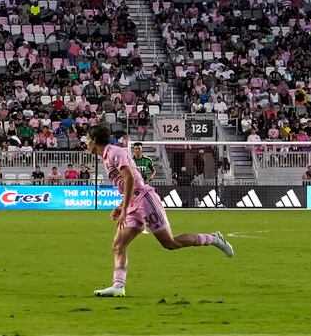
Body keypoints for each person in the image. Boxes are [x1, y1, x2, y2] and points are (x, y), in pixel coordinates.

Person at [86, 124, 232, 298]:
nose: (85, 142)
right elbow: (127, 182)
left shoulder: (114, 153)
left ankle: (213, 239)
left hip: (144, 199)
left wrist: (124, 208)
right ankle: (118, 286)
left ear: (94, 140)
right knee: (118, 245)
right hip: (133, 202)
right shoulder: (107, 155)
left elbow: (130, 178)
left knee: (170, 243)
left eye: (87, 138)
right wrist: (122, 206)